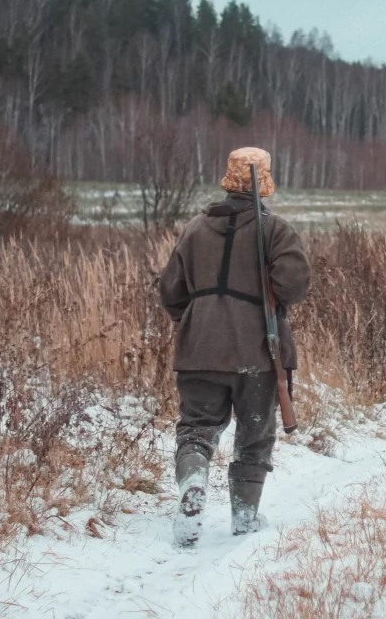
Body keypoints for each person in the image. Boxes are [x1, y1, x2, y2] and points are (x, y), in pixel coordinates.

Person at [158, 147, 310, 547]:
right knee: (254, 435)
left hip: (198, 351)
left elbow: (170, 292)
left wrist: (197, 322)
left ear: (228, 180)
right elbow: (293, 286)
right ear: (264, 182)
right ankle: (244, 516)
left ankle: (193, 481)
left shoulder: (193, 229)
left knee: (196, 430)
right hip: (258, 353)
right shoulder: (275, 230)